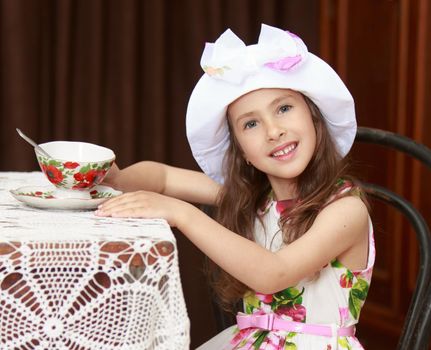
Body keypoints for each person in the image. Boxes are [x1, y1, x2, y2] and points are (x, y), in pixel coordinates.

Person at [96, 23, 375, 350]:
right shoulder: (255, 199)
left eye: (284, 108)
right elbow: (164, 177)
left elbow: (275, 273)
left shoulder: (345, 210)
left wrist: (182, 214)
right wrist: (117, 179)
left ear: (314, 119)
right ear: (241, 150)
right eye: (251, 124)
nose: (274, 131)